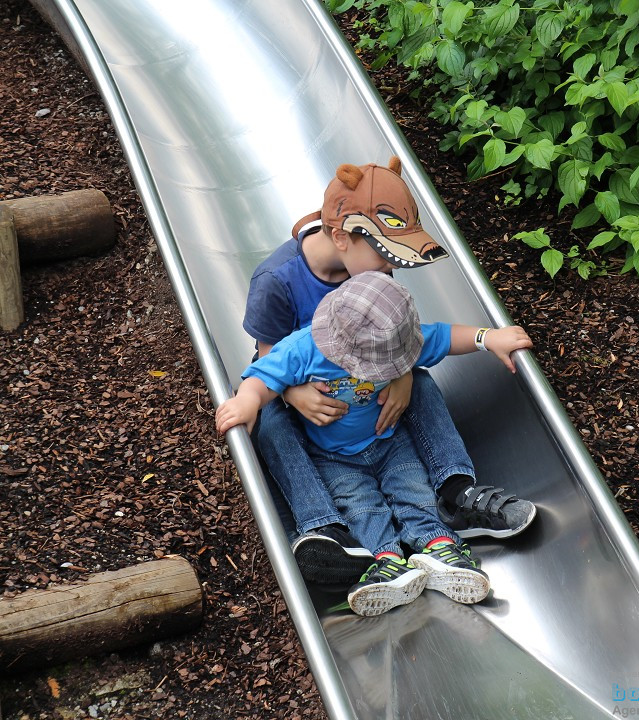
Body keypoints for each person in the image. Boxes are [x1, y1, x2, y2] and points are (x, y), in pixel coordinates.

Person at [242, 158, 536, 584]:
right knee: (269, 421)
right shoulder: (277, 281)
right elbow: (268, 359)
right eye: (384, 255)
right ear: (342, 236)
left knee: (417, 377)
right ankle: (326, 528)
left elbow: (407, 336)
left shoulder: (372, 269)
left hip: (372, 391)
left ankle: (454, 491)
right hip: (304, 395)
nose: (391, 268)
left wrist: (479, 340)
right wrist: (293, 394)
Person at [218, 272, 534, 615]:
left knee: (414, 492)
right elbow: (263, 377)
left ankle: (440, 549)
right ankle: (387, 563)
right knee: (361, 508)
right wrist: (247, 401)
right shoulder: (302, 348)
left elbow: (444, 336)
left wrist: (488, 338)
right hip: (333, 457)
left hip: (391, 442)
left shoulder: (398, 340)